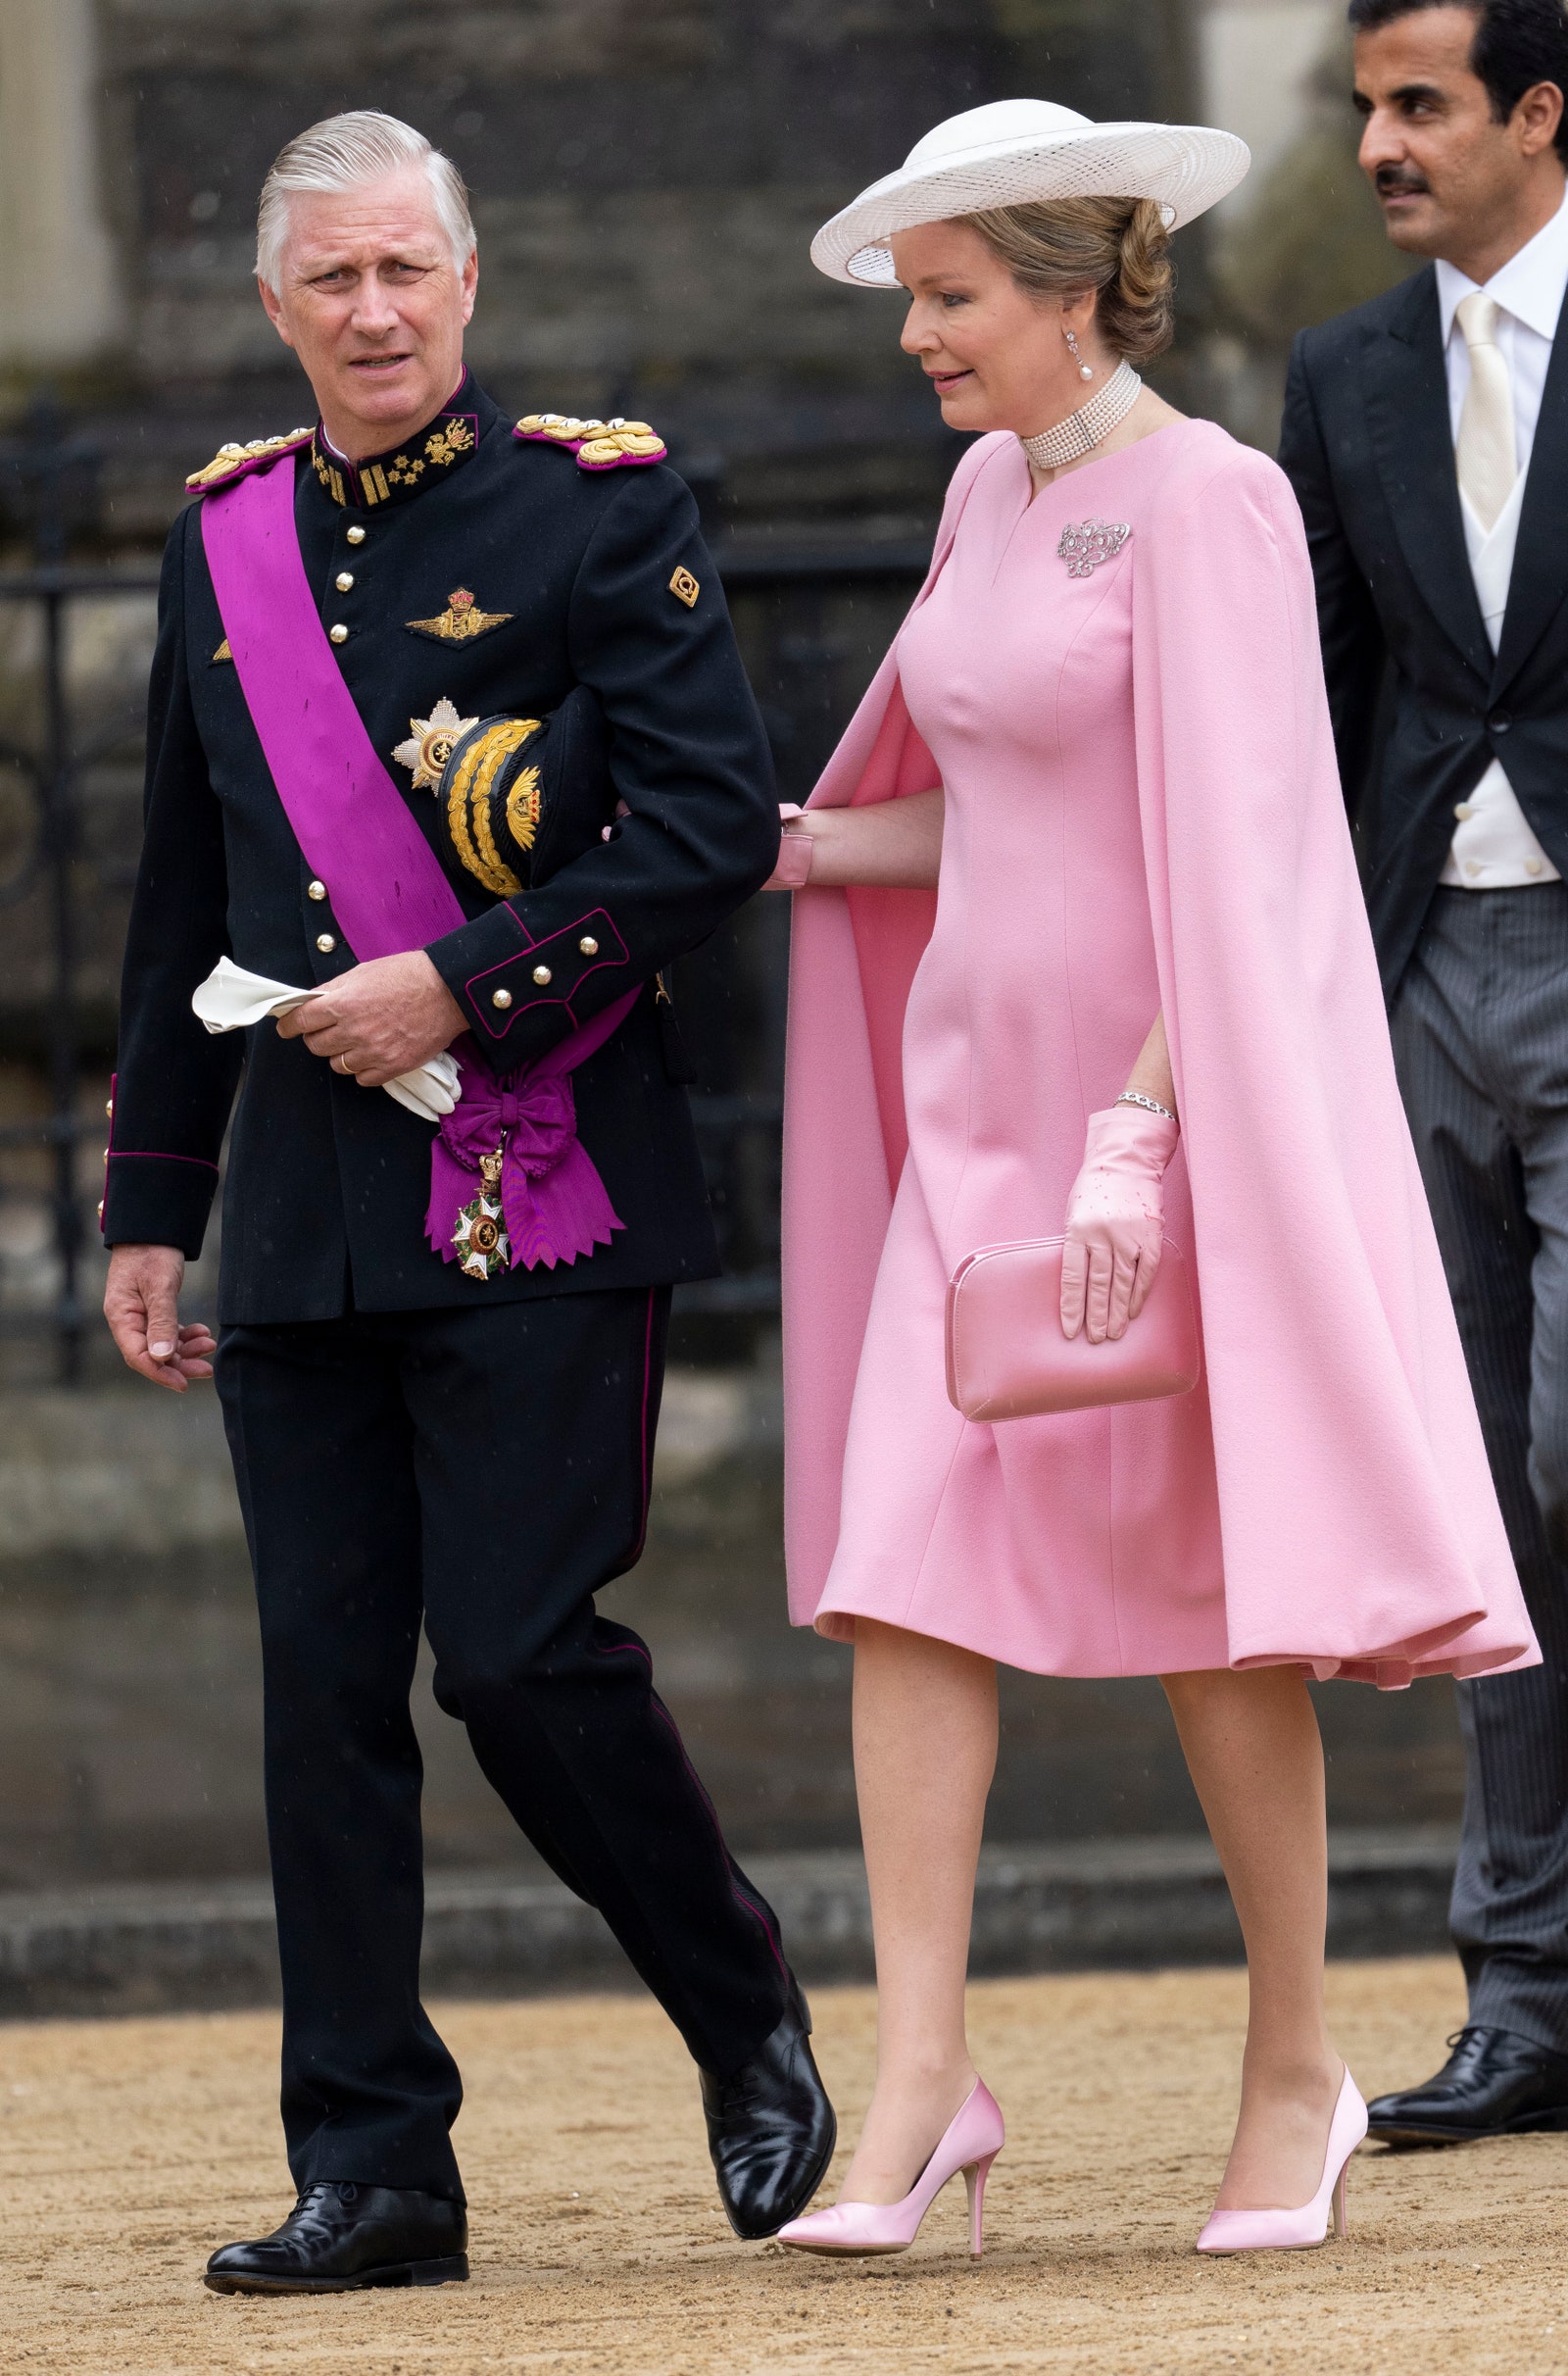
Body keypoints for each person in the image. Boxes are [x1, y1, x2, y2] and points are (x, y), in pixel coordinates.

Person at [764, 98, 1537, 2259]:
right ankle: (921, 2081)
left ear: (1072, 288)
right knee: (899, 1571)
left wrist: (1136, 1136)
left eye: (948, 298)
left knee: (1212, 1609)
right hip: (969, 1129)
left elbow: (1251, 854)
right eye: (913, 300)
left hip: (1156, 1139)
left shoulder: (1210, 503)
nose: (916, 336)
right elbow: (998, 803)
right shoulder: (982, 488)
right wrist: (797, 846)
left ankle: (1297, 2068)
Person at [100, 109, 833, 2294]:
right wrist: (152, 1198)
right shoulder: (222, 541)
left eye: (404, 269)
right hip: (306, 1211)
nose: (373, 311)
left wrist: (461, 980)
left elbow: (708, 828)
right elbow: (178, 892)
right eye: (331, 278)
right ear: (276, 306)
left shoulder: (597, 507)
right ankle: (377, 2165)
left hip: (538, 1173)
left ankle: (740, 2011)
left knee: (515, 1661)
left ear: (468, 282)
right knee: (322, 1690)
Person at [1279, 0, 1568, 2148]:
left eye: (1419, 105)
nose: (1380, 143)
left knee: (1567, 1451)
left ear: (1536, 114)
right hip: (1415, 980)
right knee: (1476, 1500)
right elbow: (1322, 686)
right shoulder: (1342, 370)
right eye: (1364, 108)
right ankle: (1526, 1988)